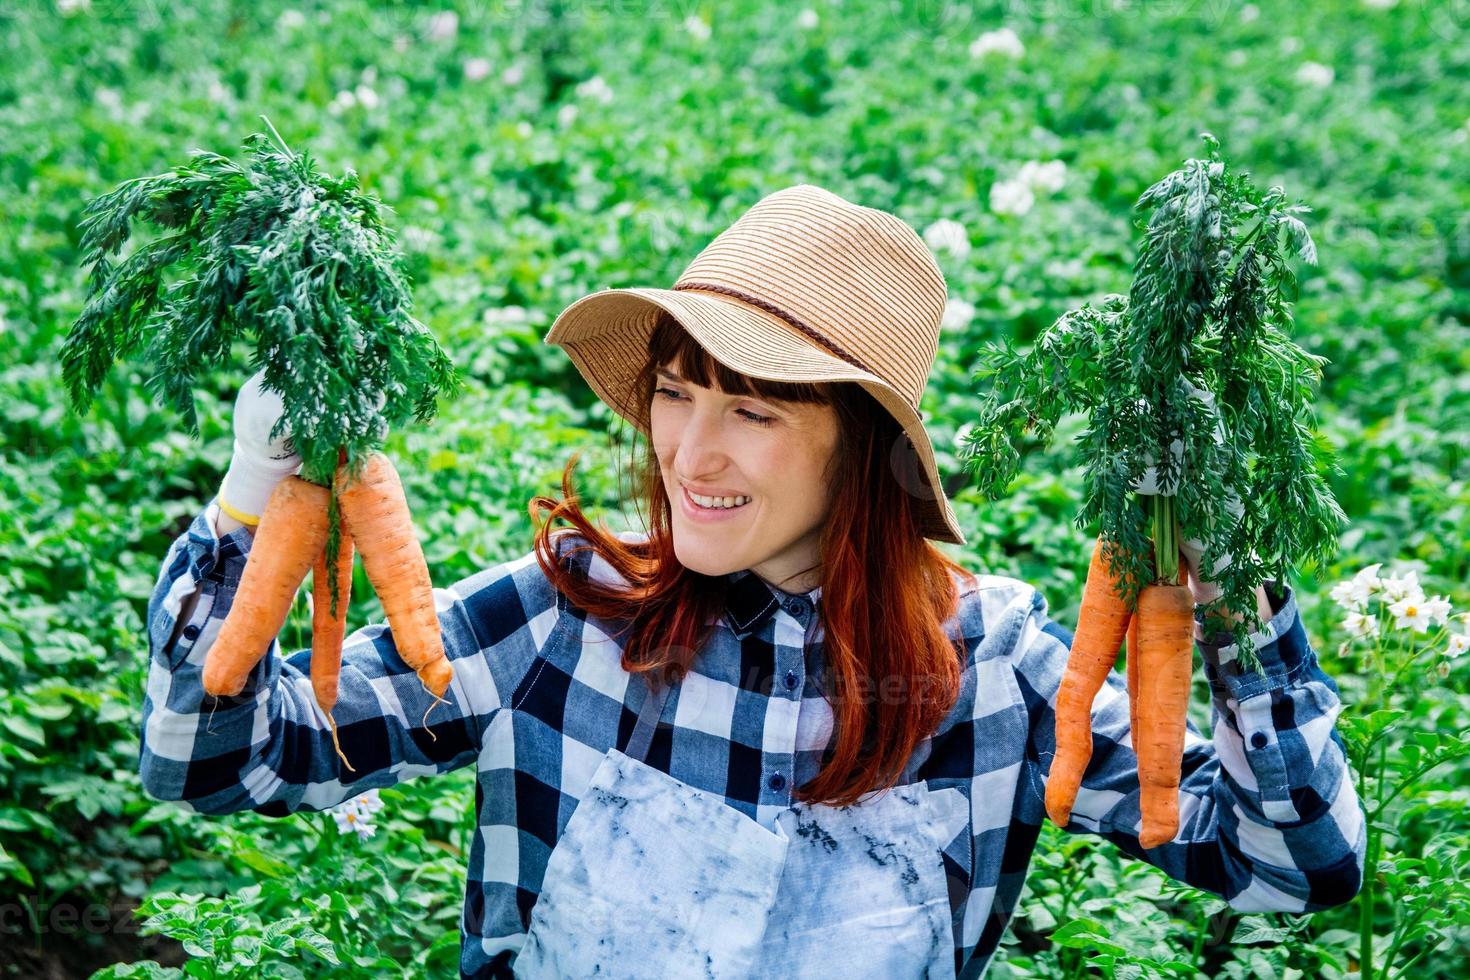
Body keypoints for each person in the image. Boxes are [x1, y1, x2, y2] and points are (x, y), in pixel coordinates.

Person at [139, 184, 1366, 979]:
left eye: (752, 409)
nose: (690, 452)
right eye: (675, 394)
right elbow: (216, 761)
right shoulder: (569, 619)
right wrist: (251, 503)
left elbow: (1288, 861)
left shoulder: (987, 672)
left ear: (862, 449)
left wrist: (1235, 601)